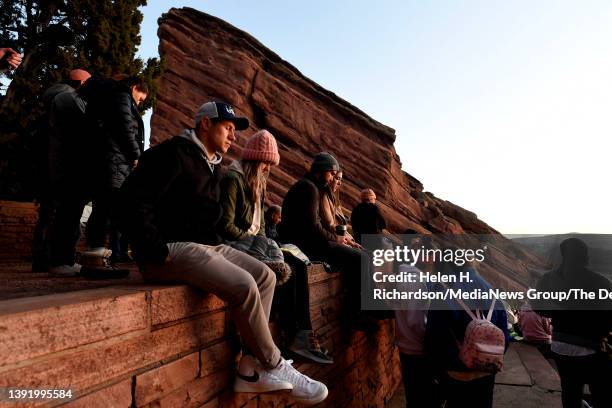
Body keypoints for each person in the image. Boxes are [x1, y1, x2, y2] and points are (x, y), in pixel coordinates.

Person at [119, 101, 328, 405]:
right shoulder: (172, 153)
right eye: (228, 128)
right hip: (167, 251)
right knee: (244, 286)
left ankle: (249, 366)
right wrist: (152, 248)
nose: (233, 136)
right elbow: (132, 198)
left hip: (206, 245)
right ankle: (273, 363)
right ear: (205, 124)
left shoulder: (211, 163)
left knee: (266, 276)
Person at [279, 152, 377, 332]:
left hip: (308, 242)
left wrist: (341, 239)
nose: (333, 178)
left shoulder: (311, 187)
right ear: (321, 170)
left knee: (363, 257)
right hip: (306, 246)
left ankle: (365, 311)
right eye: (332, 173)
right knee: (361, 259)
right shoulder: (309, 188)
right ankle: (354, 315)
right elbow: (313, 229)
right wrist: (337, 239)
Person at [534, 238, 612, 408]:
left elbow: (538, 308)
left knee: (570, 390)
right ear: (584, 256)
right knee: (601, 391)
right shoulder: (600, 282)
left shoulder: (547, 279)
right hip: (591, 347)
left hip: (559, 345)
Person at [425, 261, 509, 408]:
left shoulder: (444, 291)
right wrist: (487, 355)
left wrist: (435, 369)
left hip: (456, 370)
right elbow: (504, 336)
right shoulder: (492, 291)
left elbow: (434, 337)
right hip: (487, 369)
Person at [31, 69, 91, 273]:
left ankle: (41, 259)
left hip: (46, 165)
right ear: (82, 84)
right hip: (63, 165)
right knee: (63, 212)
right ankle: (59, 259)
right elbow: (82, 131)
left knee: (48, 213)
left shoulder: (51, 100)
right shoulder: (68, 98)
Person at [85, 76, 147, 266]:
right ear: (135, 88)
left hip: (111, 161)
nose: (139, 103)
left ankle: (100, 255)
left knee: (104, 209)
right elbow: (124, 128)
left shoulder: (111, 96)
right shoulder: (122, 95)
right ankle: (97, 257)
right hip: (114, 162)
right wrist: (136, 155)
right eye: (141, 98)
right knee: (105, 210)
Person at [319, 170, 360, 249]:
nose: (339, 183)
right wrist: (349, 242)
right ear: (330, 178)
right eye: (337, 178)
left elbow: (341, 227)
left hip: (340, 239)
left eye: (341, 180)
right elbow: (331, 225)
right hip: (331, 241)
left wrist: (351, 242)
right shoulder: (324, 197)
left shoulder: (335, 200)